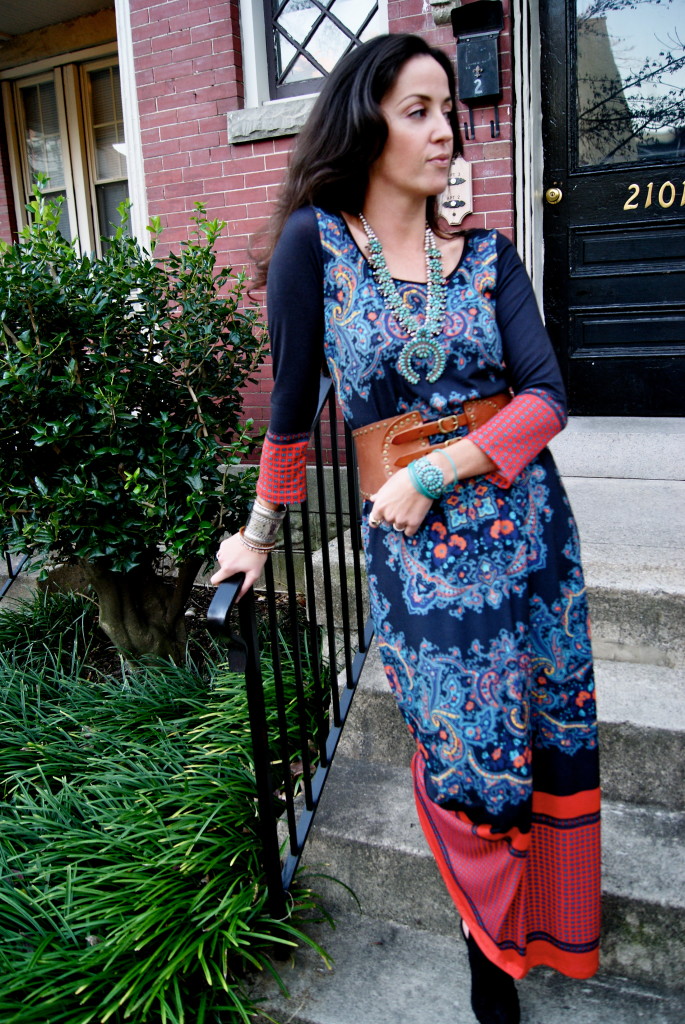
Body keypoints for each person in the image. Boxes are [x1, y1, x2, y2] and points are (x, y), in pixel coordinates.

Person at [212, 33, 600, 1024]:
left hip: (528, 537)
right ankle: (492, 962)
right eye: (416, 111)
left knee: (544, 734)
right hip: (421, 564)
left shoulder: (490, 256)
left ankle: (516, 953)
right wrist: (256, 536)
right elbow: (289, 413)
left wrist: (434, 468)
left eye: (448, 113)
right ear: (365, 124)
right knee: (471, 755)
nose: (444, 132)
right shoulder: (314, 245)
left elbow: (545, 399)